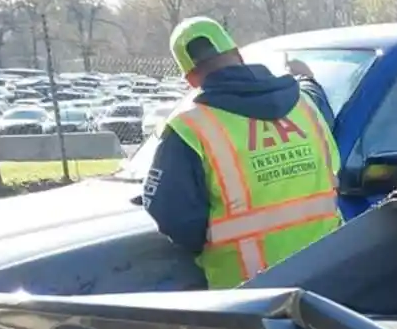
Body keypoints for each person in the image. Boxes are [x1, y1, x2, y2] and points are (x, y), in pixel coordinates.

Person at [142, 17, 342, 287]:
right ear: (238, 54)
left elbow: (171, 212)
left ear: (190, 79)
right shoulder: (305, 106)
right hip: (329, 277)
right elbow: (334, 166)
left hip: (250, 295)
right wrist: (307, 79)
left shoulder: (190, 127)